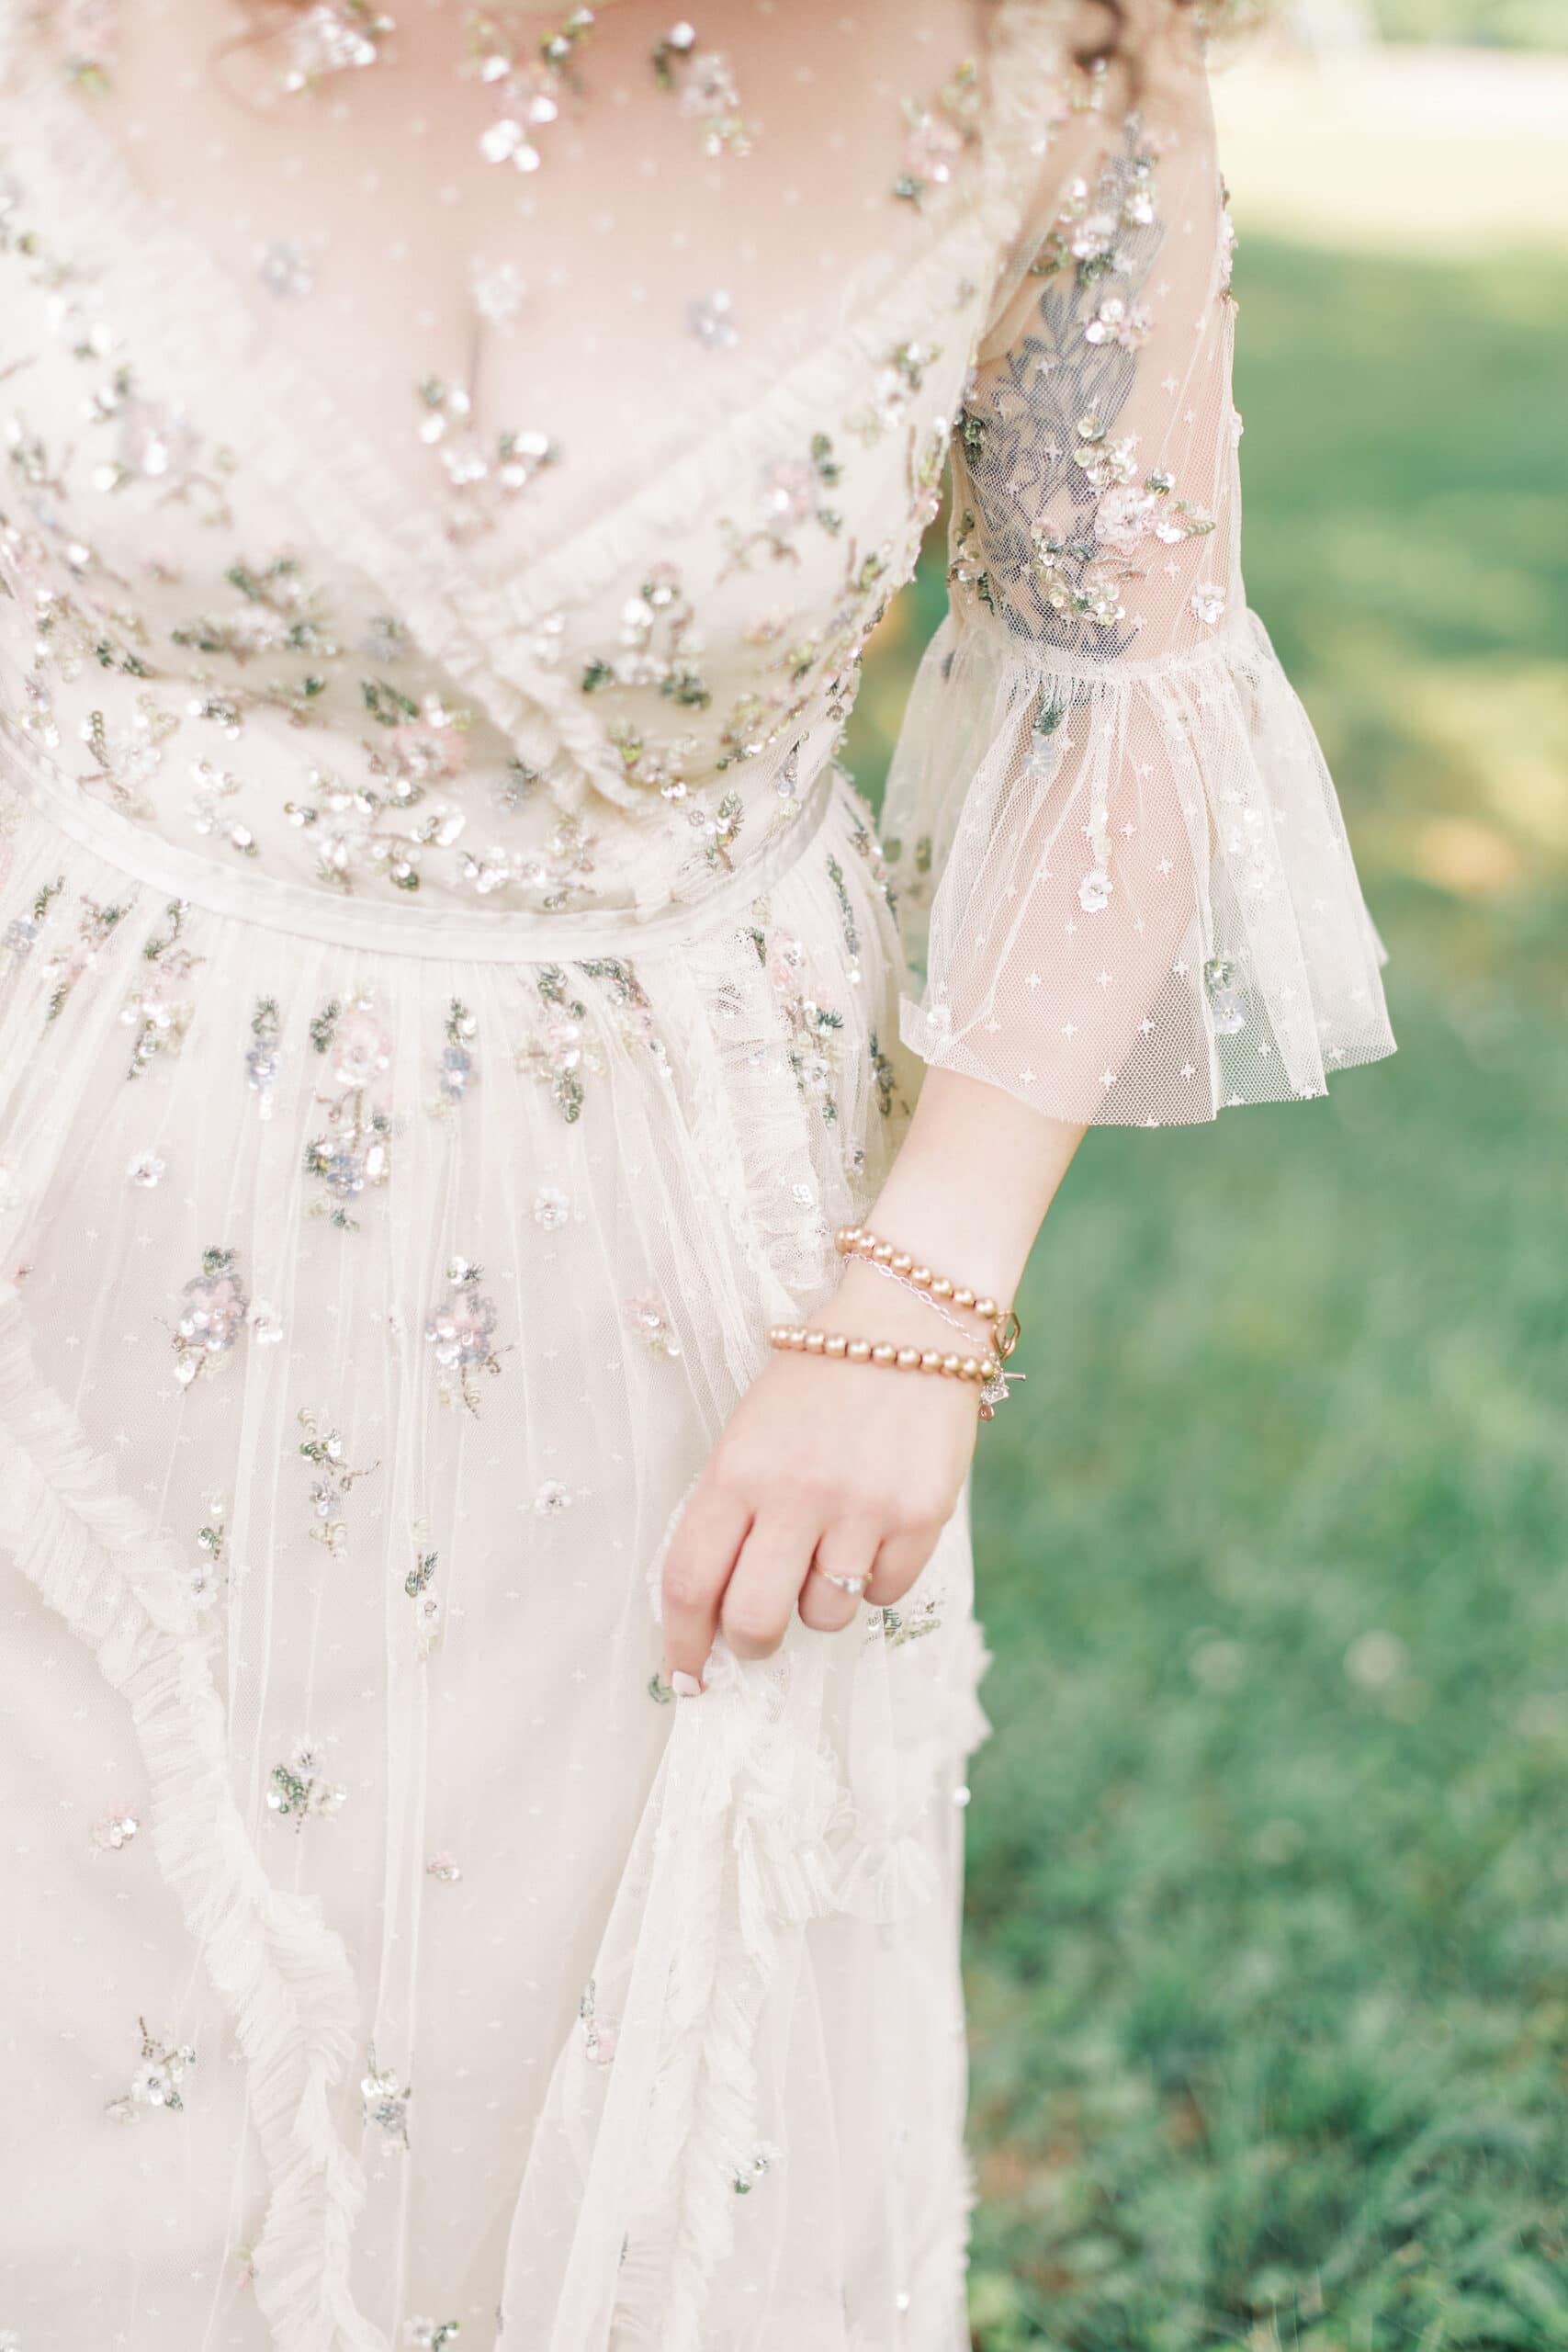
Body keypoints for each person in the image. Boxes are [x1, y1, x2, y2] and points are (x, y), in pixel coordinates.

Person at [0, 0, 1393, 2344]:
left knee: (595, 2083)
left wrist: (919, 1295)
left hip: (674, 1283)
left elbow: (1123, 680)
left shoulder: (1053, 64)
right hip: (75, 1167)